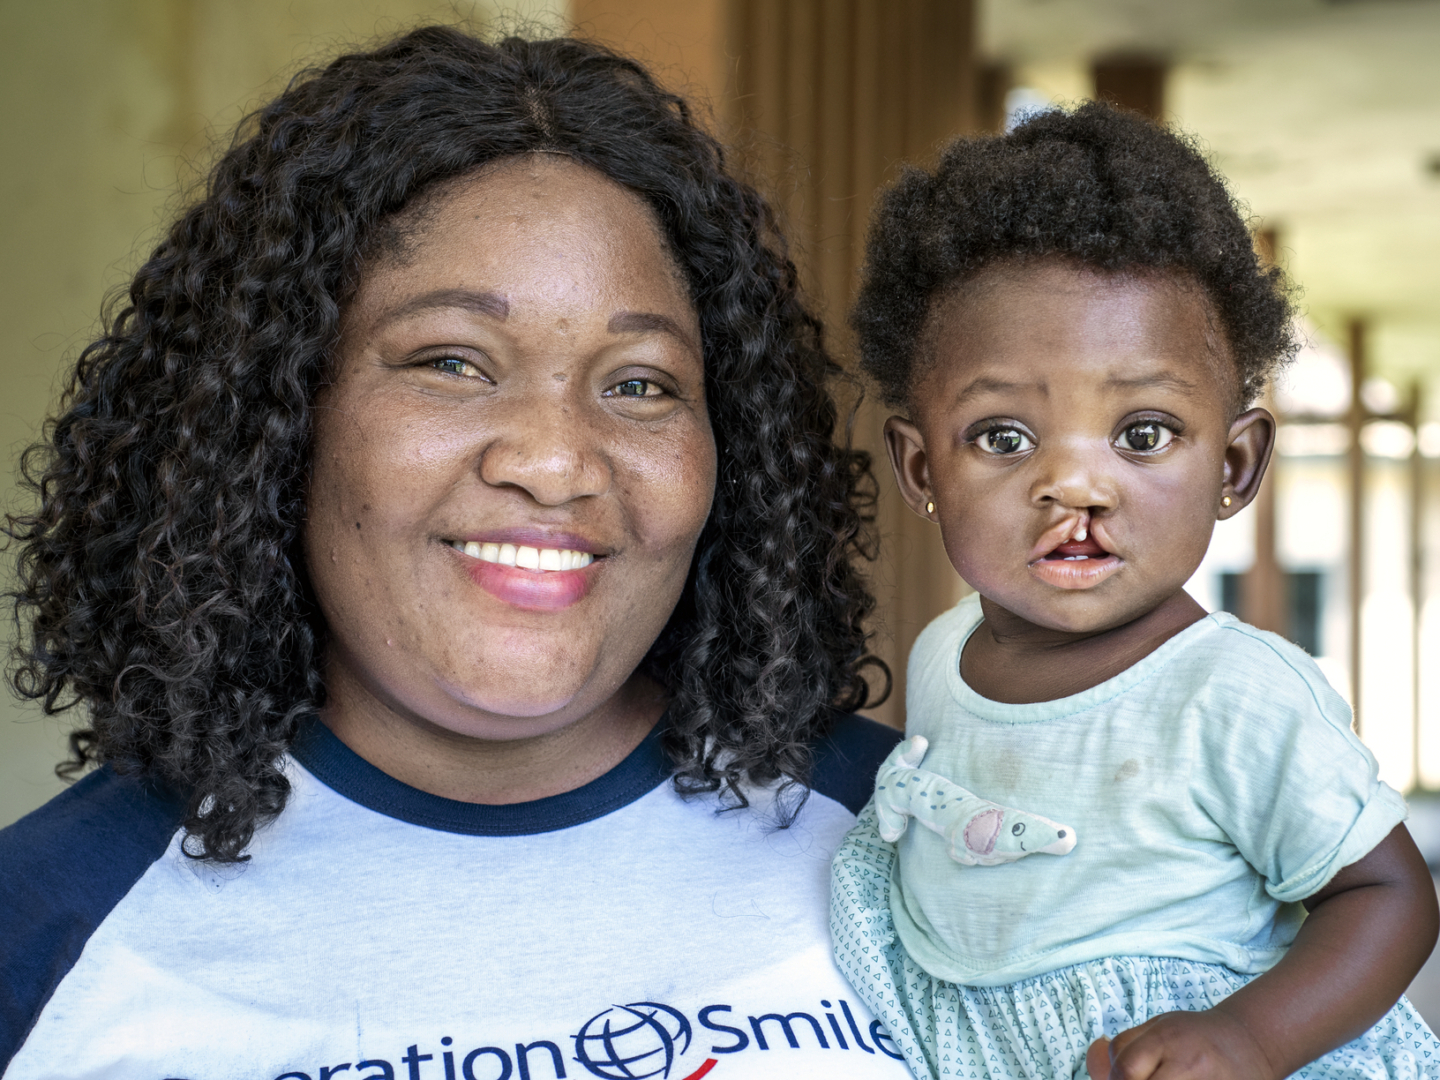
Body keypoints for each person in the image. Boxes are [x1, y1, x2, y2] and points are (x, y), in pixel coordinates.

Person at [0, 28, 913, 1079]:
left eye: (640, 383)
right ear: (284, 417)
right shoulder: (48, 933)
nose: (555, 460)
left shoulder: (913, 844)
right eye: (452, 362)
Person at [830, 102, 1440, 1080]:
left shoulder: (1233, 696)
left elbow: (1389, 896)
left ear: (1236, 466)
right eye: (1003, 437)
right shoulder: (942, 656)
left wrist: (1249, 1036)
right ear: (920, 469)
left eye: (1143, 434)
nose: (1074, 485)